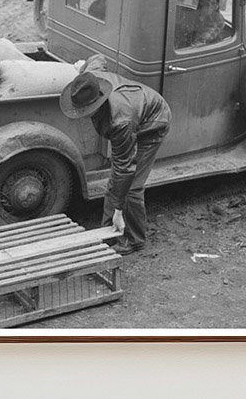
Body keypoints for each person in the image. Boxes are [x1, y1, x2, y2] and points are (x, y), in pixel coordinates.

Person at [59, 56, 171, 254]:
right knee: (116, 183)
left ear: (97, 103)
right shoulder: (90, 81)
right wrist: (81, 66)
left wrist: (118, 210)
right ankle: (109, 231)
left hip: (153, 122)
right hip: (135, 109)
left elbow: (125, 167)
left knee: (132, 186)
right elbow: (98, 58)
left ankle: (134, 238)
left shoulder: (120, 121)